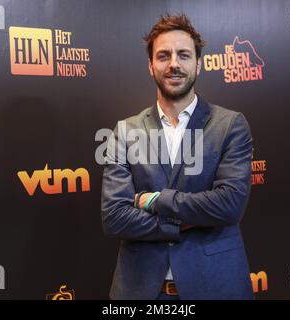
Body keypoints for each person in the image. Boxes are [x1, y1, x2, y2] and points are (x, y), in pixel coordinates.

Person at [101, 13, 254, 300]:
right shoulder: (125, 131)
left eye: (183, 55)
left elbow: (229, 205)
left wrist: (157, 201)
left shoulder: (230, 125)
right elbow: (115, 217)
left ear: (198, 63)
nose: (174, 64)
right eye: (163, 55)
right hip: (141, 291)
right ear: (150, 66)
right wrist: (182, 221)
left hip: (216, 288)